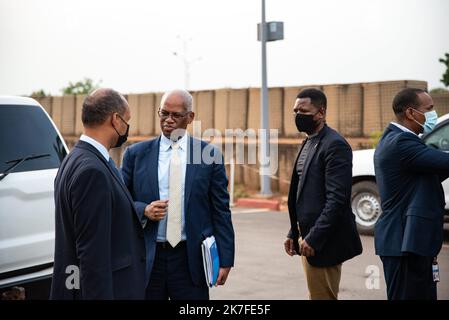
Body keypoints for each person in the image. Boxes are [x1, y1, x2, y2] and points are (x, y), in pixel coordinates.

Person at [121, 89, 235, 300]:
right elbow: (119, 201)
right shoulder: (135, 155)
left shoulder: (208, 156)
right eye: (164, 113)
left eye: (176, 115)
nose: (168, 120)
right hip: (149, 257)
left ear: (190, 117)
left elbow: (220, 210)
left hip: (190, 260)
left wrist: (226, 259)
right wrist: (143, 210)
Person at [50, 89, 146, 300]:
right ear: (116, 120)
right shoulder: (92, 171)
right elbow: (93, 257)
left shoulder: (74, 159)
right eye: (127, 121)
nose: (127, 127)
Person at [284, 88, 363, 300]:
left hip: (323, 241)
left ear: (320, 112)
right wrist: (294, 231)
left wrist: (314, 237)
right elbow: (303, 193)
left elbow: (337, 199)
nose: (297, 115)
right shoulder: (309, 141)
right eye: (295, 111)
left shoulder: (335, 144)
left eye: (303, 110)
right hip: (306, 236)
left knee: (323, 297)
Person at [374, 88, 449, 300]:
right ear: (410, 113)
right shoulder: (401, 143)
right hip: (404, 243)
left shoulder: (399, 140)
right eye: (429, 108)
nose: (433, 113)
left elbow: (432, 173)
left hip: (409, 242)